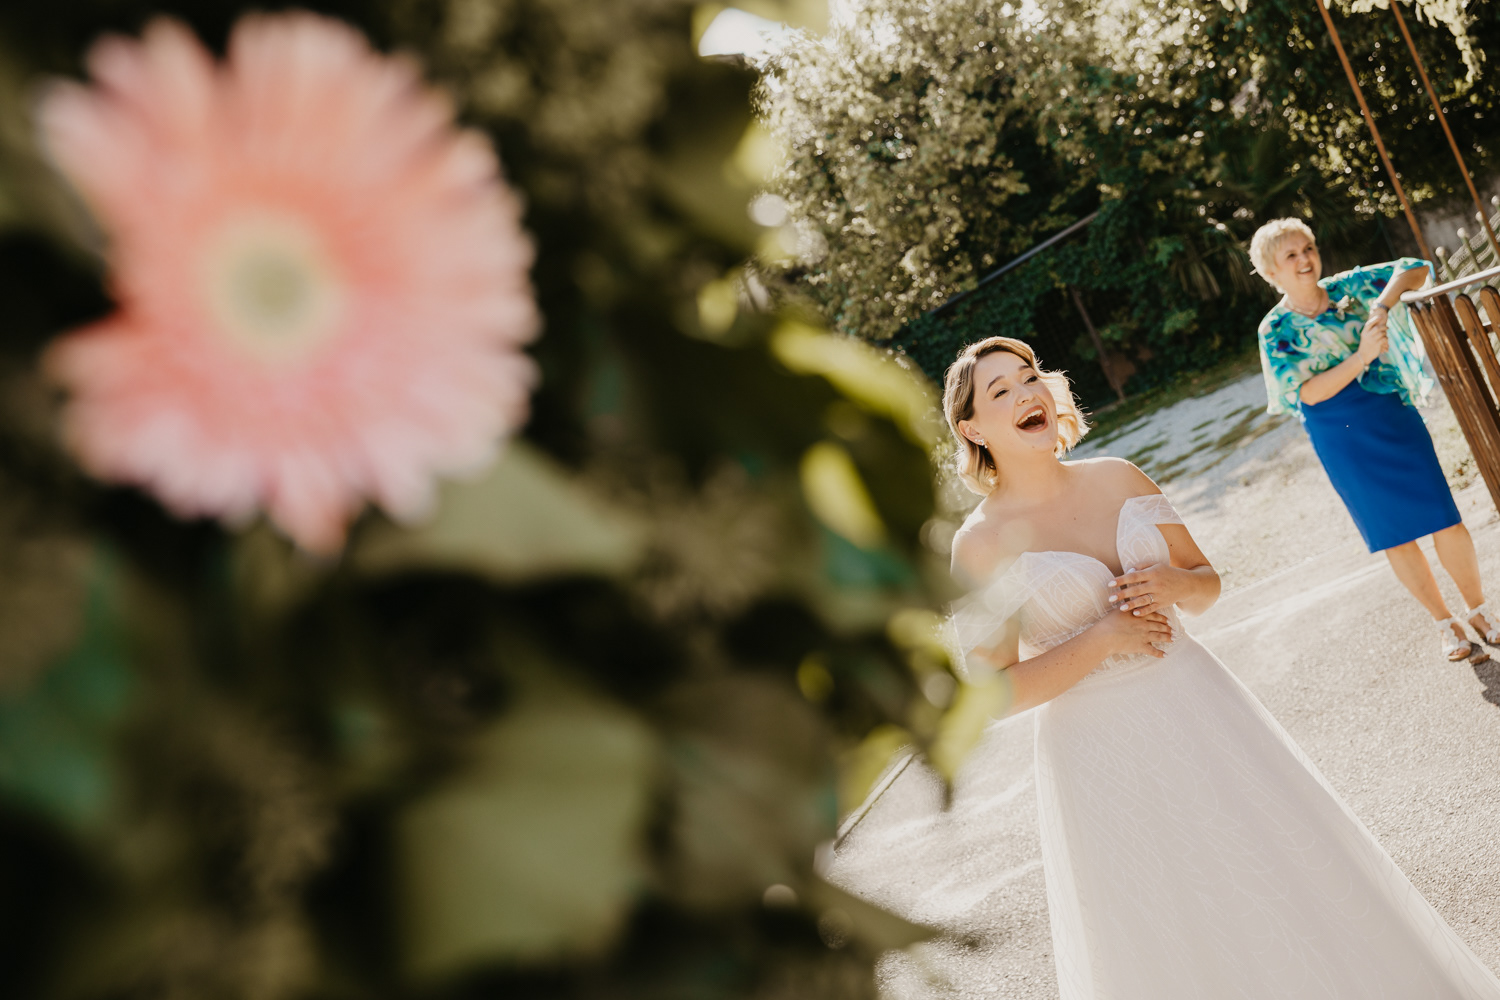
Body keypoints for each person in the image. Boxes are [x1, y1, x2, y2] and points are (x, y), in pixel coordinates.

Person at [946, 335, 1500, 1000]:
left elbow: (1206, 584)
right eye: (1000, 390)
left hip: (1202, 708)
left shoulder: (1119, 476)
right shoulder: (978, 545)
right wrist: (1100, 640)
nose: (1025, 393)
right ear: (972, 429)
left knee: (1284, 872)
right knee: (1173, 922)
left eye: (1029, 375)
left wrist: (1177, 586)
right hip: (1103, 761)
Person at [1252, 217, 1496, 661]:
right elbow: (1306, 394)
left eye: (1308, 248)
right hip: (1339, 437)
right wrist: (1363, 356)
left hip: (1390, 414)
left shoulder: (1351, 288)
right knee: (1394, 534)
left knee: (1443, 516)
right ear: (1271, 272)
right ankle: (1445, 622)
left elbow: (1417, 269)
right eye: (1291, 255)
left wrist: (1381, 306)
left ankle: (1478, 610)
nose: (1305, 259)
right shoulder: (1274, 330)